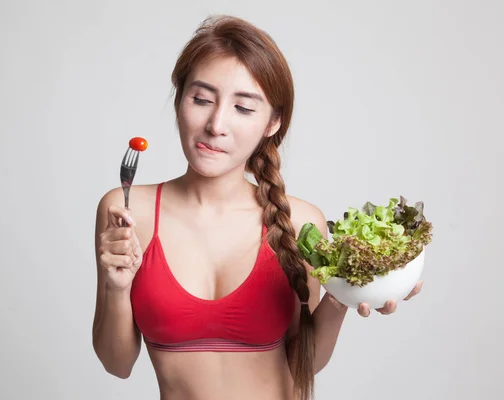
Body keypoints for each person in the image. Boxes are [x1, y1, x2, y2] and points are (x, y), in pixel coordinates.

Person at [92, 15, 423, 400]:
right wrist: (117, 288)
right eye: (201, 99)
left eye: (243, 108)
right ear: (179, 98)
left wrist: (344, 294)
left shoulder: (301, 222)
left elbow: (305, 363)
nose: (216, 125)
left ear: (273, 122)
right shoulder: (128, 211)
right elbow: (117, 365)